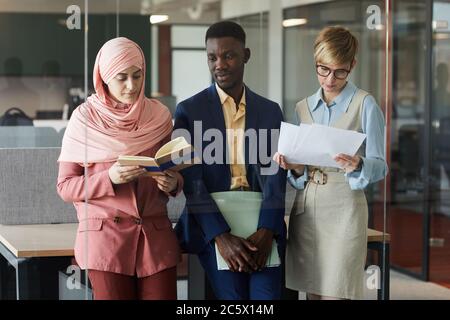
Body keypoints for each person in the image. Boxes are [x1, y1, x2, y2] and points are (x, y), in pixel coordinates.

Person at [56, 37, 183, 300]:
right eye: (122, 77)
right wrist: (109, 178)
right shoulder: (84, 119)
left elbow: (173, 169)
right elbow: (65, 187)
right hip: (105, 241)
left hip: (155, 239)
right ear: (104, 78)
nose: (132, 85)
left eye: (137, 76)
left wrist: (174, 184)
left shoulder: (158, 116)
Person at [173, 21, 287, 300]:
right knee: (233, 299)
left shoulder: (270, 111)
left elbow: (276, 176)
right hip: (214, 222)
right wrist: (221, 238)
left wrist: (267, 230)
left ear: (246, 55)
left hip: (261, 219)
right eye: (212, 57)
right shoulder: (189, 111)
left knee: (267, 298)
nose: (219, 64)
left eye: (229, 55)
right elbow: (192, 182)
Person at [274, 26, 387, 300]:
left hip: (345, 208)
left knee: (337, 293)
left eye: (340, 71)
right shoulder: (303, 107)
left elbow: (380, 165)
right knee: (313, 292)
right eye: (323, 69)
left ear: (352, 66)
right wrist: (295, 169)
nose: (330, 79)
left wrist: (358, 163)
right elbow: (300, 172)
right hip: (308, 209)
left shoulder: (365, 105)